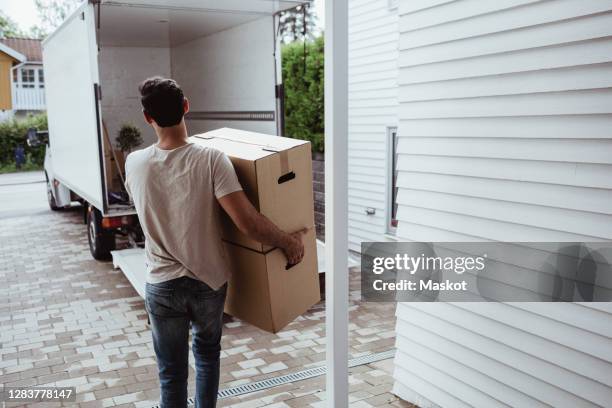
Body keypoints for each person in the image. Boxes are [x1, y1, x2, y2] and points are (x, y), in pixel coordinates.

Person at [124, 77, 306, 408]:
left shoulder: (134, 163)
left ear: (147, 117)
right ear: (186, 106)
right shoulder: (211, 159)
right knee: (207, 358)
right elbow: (248, 223)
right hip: (206, 283)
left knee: (171, 373)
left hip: (161, 285)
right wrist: (289, 243)